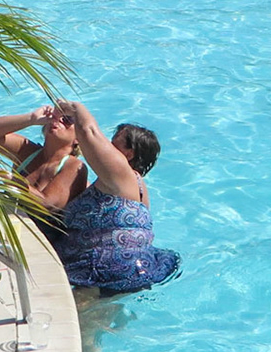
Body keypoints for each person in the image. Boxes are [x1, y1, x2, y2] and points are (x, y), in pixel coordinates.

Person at [50, 99, 180, 295]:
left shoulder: (121, 172)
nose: (107, 145)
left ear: (129, 153)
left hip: (104, 269)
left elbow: (89, 133)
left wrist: (74, 108)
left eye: (114, 141)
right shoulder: (136, 186)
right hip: (132, 267)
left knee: (84, 320)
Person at [0, 105, 86, 216]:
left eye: (67, 119)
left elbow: (47, 206)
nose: (57, 119)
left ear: (78, 138)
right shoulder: (27, 151)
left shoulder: (74, 166)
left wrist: (9, 178)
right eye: (54, 115)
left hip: (41, 231)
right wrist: (31, 118)